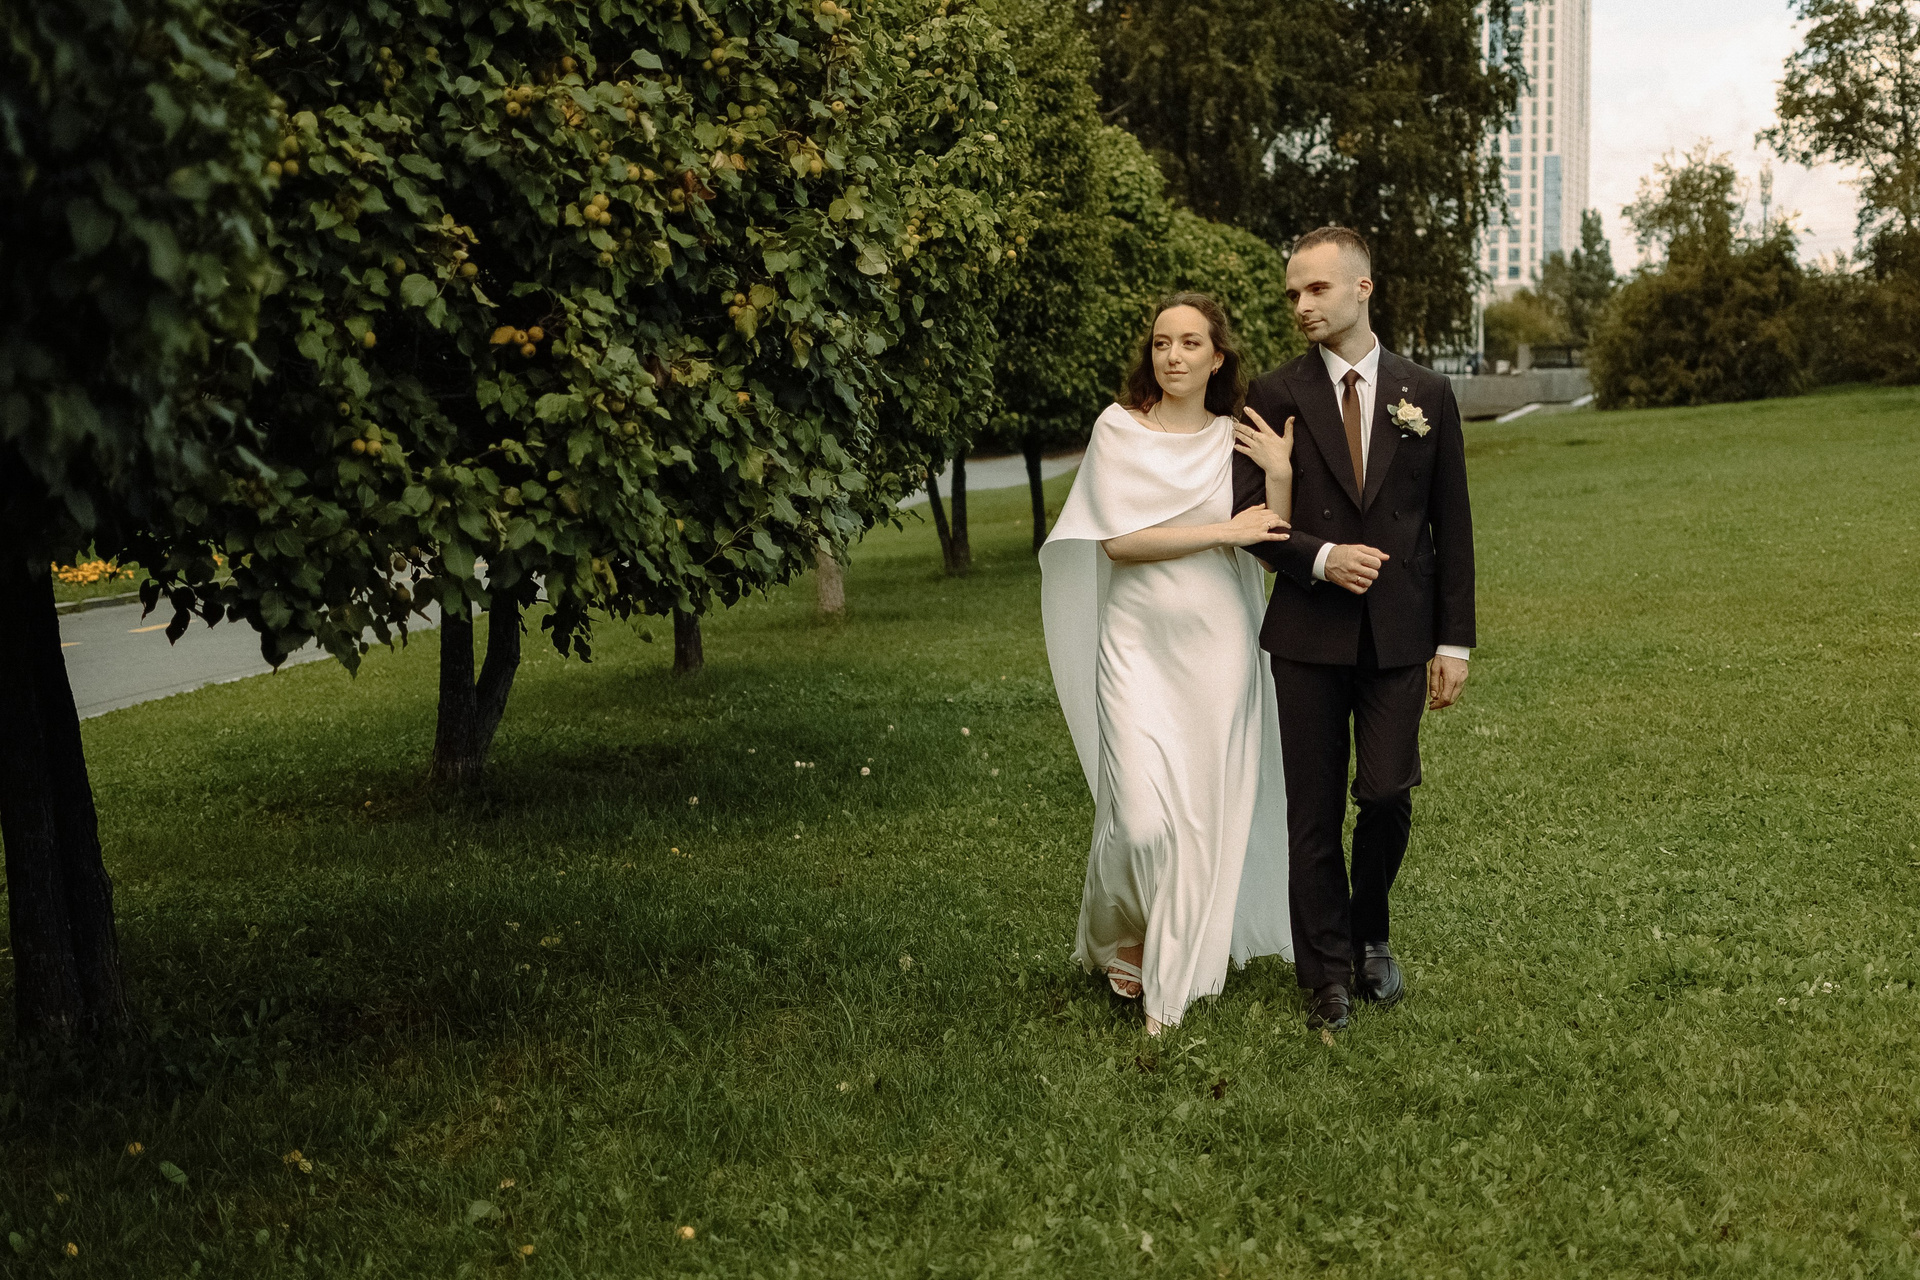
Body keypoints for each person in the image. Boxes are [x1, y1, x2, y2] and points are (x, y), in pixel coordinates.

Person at [1231, 227, 1477, 1032]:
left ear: (1363, 288)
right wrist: (1322, 556)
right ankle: (1326, 975)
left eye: (1318, 289)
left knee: (1386, 793)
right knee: (1311, 812)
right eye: (1293, 294)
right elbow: (1248, 519)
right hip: (1307, 633)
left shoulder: (1426, 392)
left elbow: (1452, 525)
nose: (1302, 306)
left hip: (1401, 632)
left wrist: (1453, 642)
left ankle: (1372, 935)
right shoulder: (1273, 394)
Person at [1040, 293, 1297, 1035]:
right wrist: (1220, 531)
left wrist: (1279, 471)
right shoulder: (1118, 429)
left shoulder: (1233, 438)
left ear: (1218, 358)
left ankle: (1169, 983)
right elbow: (1119, 543)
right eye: (1161, 342)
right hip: (1136, 646)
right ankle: (1122, 927)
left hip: (1219, 649)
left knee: (1200, 816)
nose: (1173, 355)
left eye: (1189, 343)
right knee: (1140, 821)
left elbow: (1271, 543)